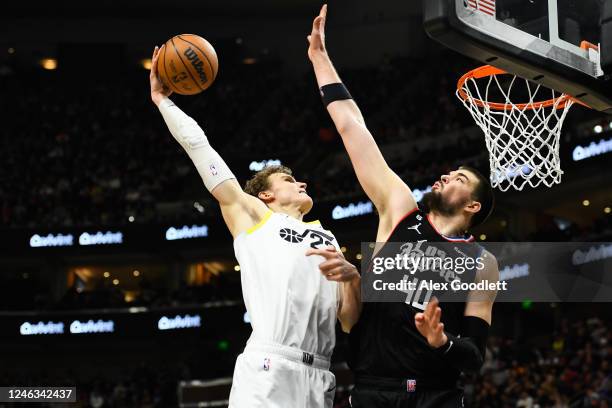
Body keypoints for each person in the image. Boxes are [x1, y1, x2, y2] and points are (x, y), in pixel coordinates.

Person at [307, 5, 499, 407]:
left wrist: (442, 341)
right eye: (448, 173)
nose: (446, 176)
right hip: (375, 387)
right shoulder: (400, 209)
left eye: (459, 179)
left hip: (438, 394)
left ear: (474, 206)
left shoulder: (482, 263)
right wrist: (321, 62)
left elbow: (474, 356)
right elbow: (352, 128)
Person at [149, 45, 361, 408]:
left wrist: (354, 279)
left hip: (321, 374)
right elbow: (202, 150)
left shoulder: (328, 238)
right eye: (289, 179)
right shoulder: (255, 218)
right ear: (264, 195)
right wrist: (163, 102)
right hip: (270, 364)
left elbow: (348, 321)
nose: (302, 183)